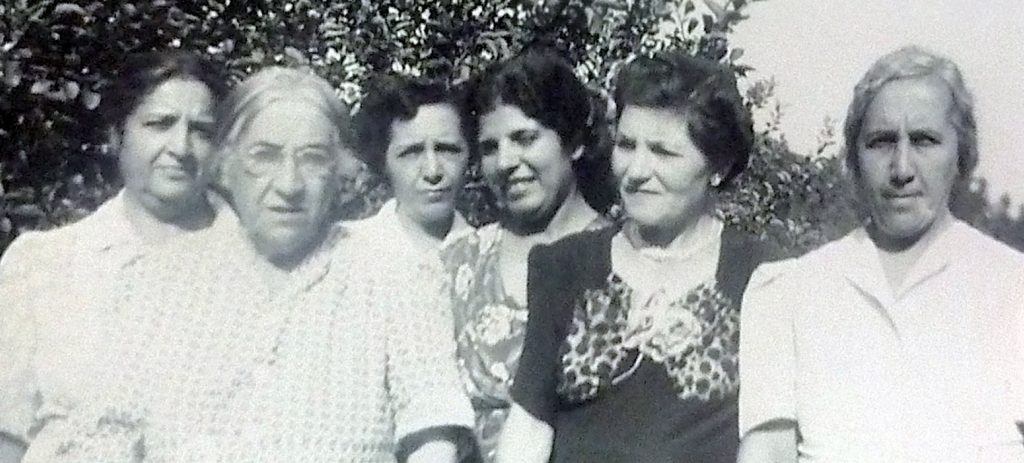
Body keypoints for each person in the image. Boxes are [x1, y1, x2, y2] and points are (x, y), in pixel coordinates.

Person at [17, 67, 476, 463]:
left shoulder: (393, 273)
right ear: (226, 166)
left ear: (341, 172)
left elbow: (432, 431)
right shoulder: (168, 278)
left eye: (313, 158)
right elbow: (107, 434)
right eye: (265, 156)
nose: (289, 184)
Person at [738, 46, 1024, 462]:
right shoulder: (791, 292)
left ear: (961, 156)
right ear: (854, 158)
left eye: (925, 140)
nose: (902, 168)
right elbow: (767, 453)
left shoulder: (1012, 289)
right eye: (881, 142)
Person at [496, 50, 761, 463]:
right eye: (627, 145)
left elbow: (769, 441)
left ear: (719, 166)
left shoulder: (761, 276)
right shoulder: (563, 266)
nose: (636, 171)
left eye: (663, 152)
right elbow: (531, 422)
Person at [0, 51, 228, 463]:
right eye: (159, 124)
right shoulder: (43, 264)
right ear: (115, 136)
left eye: (202, 131)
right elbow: (7, 437)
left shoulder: (254, 264)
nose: (180, 146)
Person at [443, 48, 614, 460]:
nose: (506, 162)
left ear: (572, 143)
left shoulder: (622, 260)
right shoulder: (459, 263)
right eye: (489, 147)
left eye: (525, 139)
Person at [348, 75, 475, 267]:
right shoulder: (348, 251)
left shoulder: (488, 256)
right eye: (412, 153)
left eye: (447, 149)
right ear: (383, 162)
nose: (433, 172)